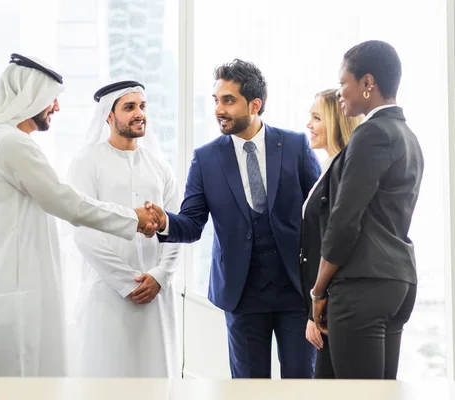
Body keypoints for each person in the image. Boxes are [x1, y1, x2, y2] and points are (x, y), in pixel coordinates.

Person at [0, 54, 158, 377]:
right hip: (12, 296)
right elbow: (67, 202)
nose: (56, 108)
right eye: (52, 99)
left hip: (4, 292)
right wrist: (133, 218)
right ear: (28, 96)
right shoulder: (11, 143)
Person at [150, 59, 322, 378]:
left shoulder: (295, 145)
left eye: (228, 100)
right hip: (242, 294)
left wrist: (322, 286)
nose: (219, 109)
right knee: (247, 389)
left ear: (255, 104)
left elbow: (321, 214)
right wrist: (164, 222)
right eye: (216, 100)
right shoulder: (206, 159)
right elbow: (191, 223)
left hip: (296, 291)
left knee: (301, 384)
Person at [310, 40, 425, 379]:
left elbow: (344, 221)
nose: (340, 91)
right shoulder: (407, 136)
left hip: (362, 284)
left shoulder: (370, 133)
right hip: (398, 282)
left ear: (367, 83)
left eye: (343, 82)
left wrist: (318, 291)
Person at [65, 81, 182, 378]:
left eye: (142, 106)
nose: (139, 113)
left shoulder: (160, 167)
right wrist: (126, 281)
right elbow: (83, 229)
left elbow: (176, 228)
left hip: (157, 294)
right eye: (129, 107)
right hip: (107, 292)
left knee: (155, 379)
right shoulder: (87, 162)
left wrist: (159, 275)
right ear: (109, 115)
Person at [300, 88, 362, 378]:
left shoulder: (343, 172)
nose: (309, 125)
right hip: (325, 307)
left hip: (335, 305)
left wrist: (317, 309)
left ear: (336, 121)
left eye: (316, 118)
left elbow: (334, 242)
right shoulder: (328, 167)